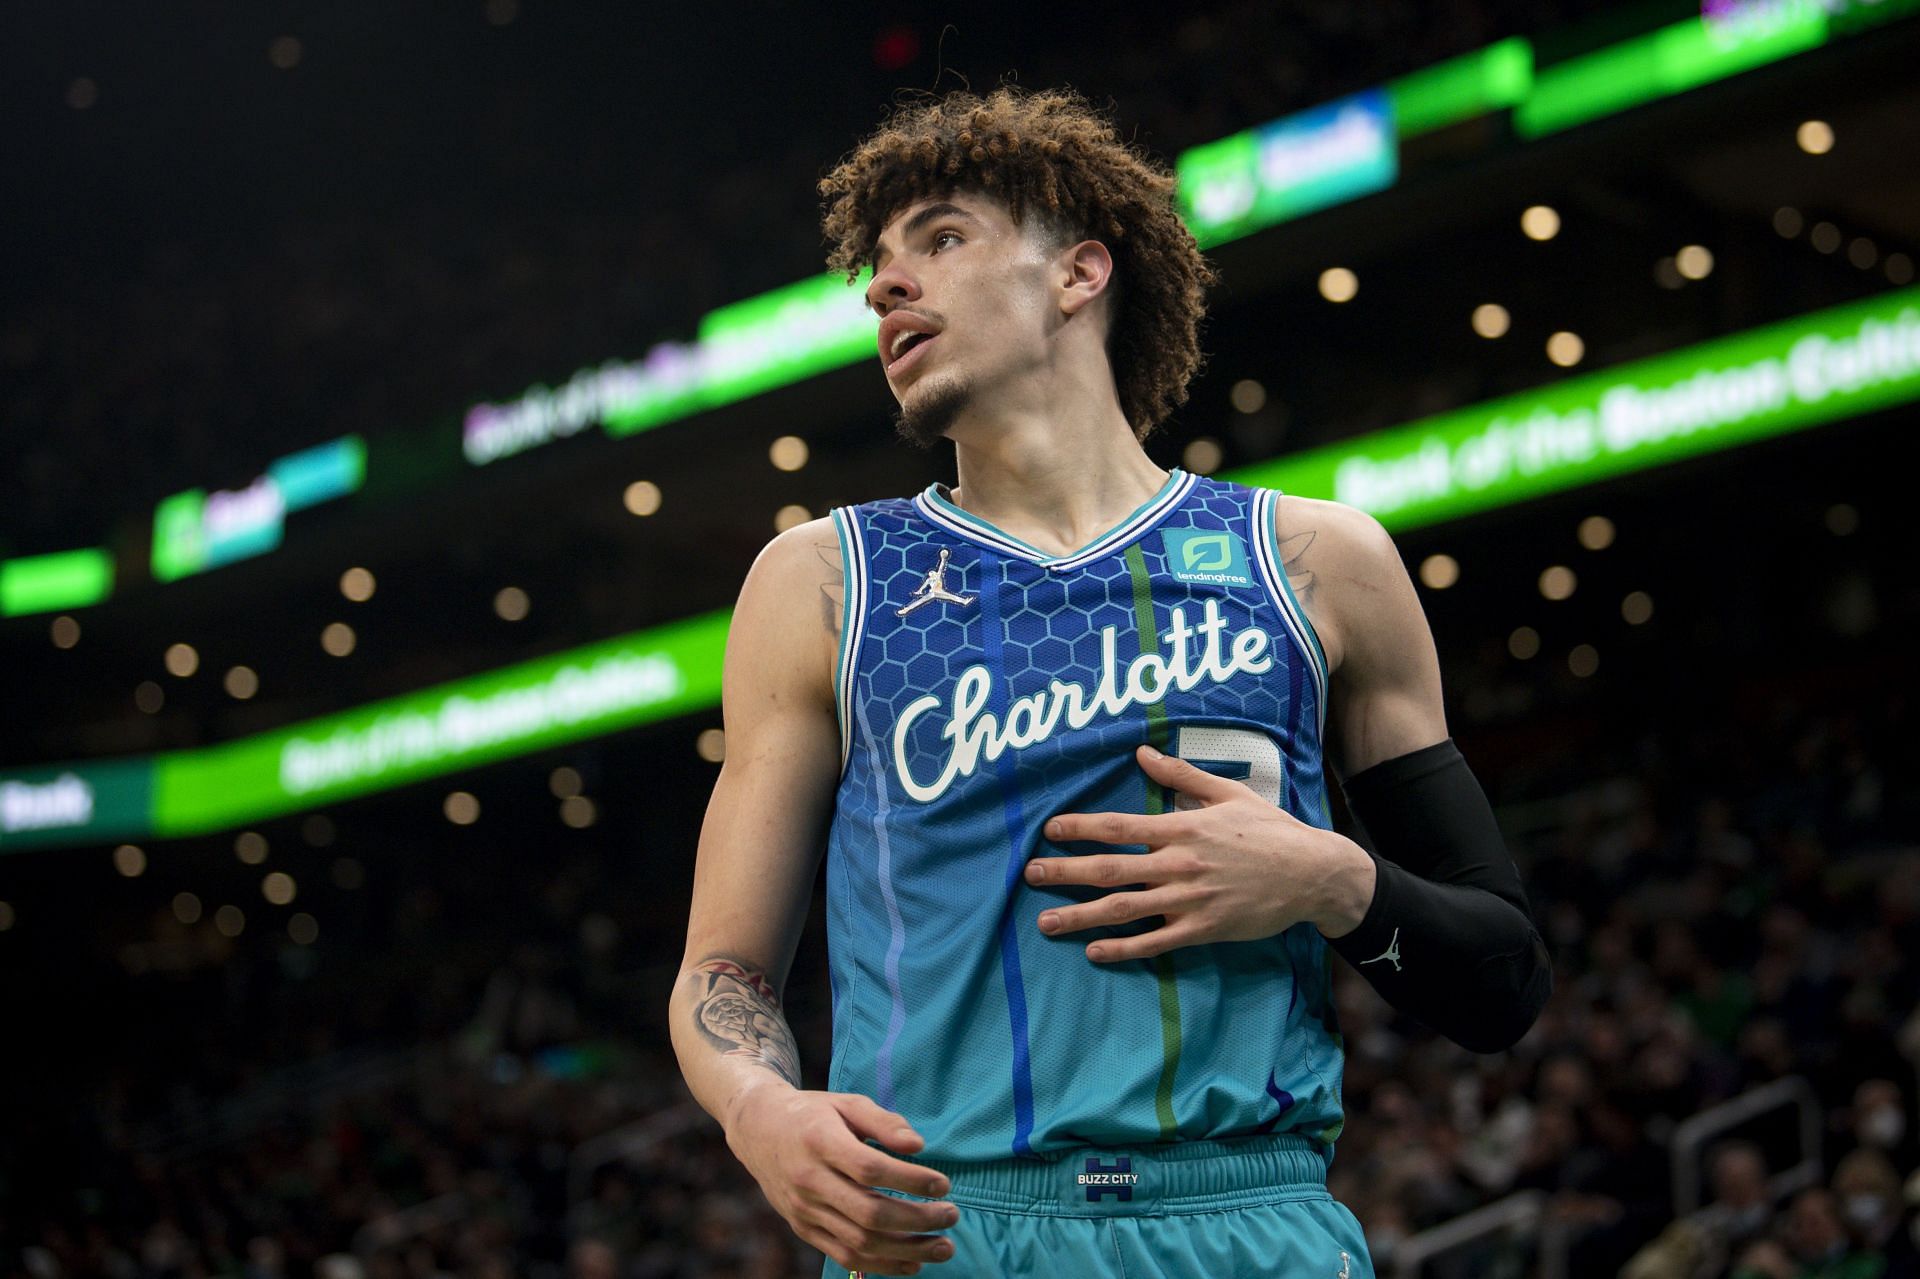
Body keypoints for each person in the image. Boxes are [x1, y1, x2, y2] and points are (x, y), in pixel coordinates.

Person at [668, 86, 1552, 1279]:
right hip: (946, 1229)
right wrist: (759, 1111)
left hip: (1252, 1219)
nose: (884, 286)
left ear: (1080, 273)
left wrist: (1327, 875)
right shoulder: (822, 581)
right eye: (876, 264)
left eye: (940, 237)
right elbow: (721, 975)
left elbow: (1500, 983)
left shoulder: (1317, 563)